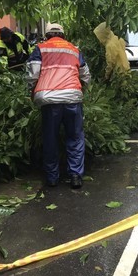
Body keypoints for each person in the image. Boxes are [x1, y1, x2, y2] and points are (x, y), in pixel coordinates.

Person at [26, 23, 91, 188]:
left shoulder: (40, 49)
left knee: (50, 138)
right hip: (72, 98)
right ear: (63, 34)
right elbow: (86, 75)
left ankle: (52, 178)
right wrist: (82, 89)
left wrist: (31, 92)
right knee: (75, 137)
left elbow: (33, 74)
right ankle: (76, 176)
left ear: (47, 35)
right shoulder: (74, 49)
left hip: (49, 99)